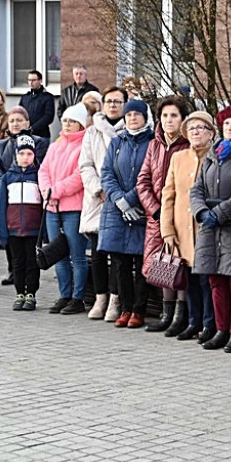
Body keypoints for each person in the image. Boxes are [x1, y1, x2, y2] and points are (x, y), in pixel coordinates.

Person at [188, 106, 231, 353]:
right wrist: (202, 212)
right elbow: (196, 189)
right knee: (215, 280)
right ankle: (221, 329)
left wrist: (219, 213)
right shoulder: (213, 154)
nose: (230, 128)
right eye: (227, 124)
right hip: (209, 227)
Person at [162, 111, 217, 342]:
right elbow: (169, 194)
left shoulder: (216, 157)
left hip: (206, 230)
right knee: (189, 279)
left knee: (206, 280)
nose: (195, 131)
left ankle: (209, 324)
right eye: (191, 128)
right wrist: (167, 230)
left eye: (201, 127)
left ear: (211, 133)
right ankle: (193, 322)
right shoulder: (178, 157)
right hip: (182, 229)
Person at [138, 95, 190, 333]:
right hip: (157, 215)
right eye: (165, 115)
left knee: (181, 263)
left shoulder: (188, 144)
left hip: (182, 214)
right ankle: (166, 313)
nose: (169, 120)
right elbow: (143, 181)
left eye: (174, 116)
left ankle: (182, 314)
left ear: (182, 119)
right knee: (162, 263)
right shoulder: (154, 144)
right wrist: (155, 209)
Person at [99, 100, 154, 328]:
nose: (132, 118)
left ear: (145, 116)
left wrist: (131, 199)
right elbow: (106, 172)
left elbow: (151, 175)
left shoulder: (152, 142)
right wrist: (118, 199)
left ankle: (139, 310)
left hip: (142, 209)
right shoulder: (117, 141)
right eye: (129, 114)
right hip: (117, 211)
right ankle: (125, 308)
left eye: (137, 114)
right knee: (120, 263)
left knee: (142, 262)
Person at [79, 86, 127, 321]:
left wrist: (116, 191)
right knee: (97, 251)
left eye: (118, 101)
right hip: (98, 197)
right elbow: (85, 165)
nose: (113, 105)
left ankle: (116, 300)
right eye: (109, 101)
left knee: (116, 252)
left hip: (121, 198)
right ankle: (100, 297)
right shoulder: (92, 132)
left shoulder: (130, 130)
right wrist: (98, 188)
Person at [39, 104, 89, 314]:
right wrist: (46, 190)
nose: (67, 125)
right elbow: (43, 170)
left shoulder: (84, 146)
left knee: (77, 255)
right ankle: (64, 294)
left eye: (72, 121)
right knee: (57, 254)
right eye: (66, 120)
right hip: (52, 208)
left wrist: (55, 190)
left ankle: (78, 297)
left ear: (80, 124)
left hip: (73, 208)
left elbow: (79, 177)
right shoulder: (55, 145)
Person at [0, 106, 49, 287]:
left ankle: (30, 287)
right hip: (11, 188)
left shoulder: (39, 142)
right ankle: (14, 274)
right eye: (12, 120)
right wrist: (7, 177)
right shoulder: (2, 145)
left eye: (19, 120)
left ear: (27, 122)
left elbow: (41, 165)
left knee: (29, 255)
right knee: (14, 247)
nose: (15, 123)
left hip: (29, 196)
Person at [0, 134, 43, 311]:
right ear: (16, 155)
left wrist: (43, 232)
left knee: (32, 262)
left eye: (29, 154)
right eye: (21, 153)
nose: (25, 157)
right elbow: (0, 207)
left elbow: (44, 206)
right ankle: (19, 293)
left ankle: (31, 293)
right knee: (17, 262)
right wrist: (1, 232)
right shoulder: (7, 178)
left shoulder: (38, 176)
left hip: (33, 230)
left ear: (34, 156)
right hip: (13, 229)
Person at [20, 70, 55, 138]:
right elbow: (19, 113)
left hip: (42, 135)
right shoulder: (25, 97)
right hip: (26, 135)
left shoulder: (47, 97)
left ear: (40, 81)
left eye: (34, 80)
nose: (31, 82)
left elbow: (48, 117)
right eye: (29, 80)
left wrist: (32, 128)